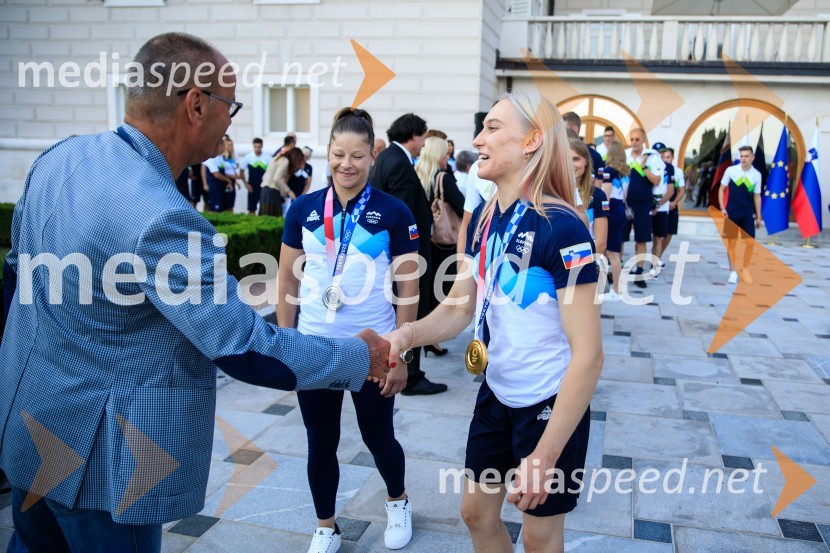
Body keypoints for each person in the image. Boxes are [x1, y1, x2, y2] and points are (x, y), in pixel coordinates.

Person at [0, 33, 394, 552]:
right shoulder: (162, 218)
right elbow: (244, 347)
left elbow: (15, 282)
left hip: (30, 429)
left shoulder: (60, 157)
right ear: (196, 105)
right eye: (232, 105)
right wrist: (359, 356)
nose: (232, 121)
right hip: (103, 466)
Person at [383, 93, 602, 553]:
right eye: (482, 129)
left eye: (493, 128)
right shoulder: (484, 217)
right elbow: (459, 308)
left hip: (548, 401)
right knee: (476, 513)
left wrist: (545, 455)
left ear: (532, 141)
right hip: (496, 392)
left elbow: (589, 356)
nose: (478, 139)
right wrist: (407, 334)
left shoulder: (563, 226)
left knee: (539, 536)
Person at [278, 108, 419, 553]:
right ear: (328, 152)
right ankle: (326, 526)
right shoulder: (304, 208)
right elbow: (287, 282)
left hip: (373, 350)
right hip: (314, 348)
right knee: (320, 442)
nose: (347, 164)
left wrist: (402, 354)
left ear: (372, 157)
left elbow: (409, 287)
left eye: (357, 155)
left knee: (378, 436)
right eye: (339, 154)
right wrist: (285, 343)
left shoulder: (393, 211)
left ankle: (398, 501)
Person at [373, 114, 447, 396]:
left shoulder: (388, 157)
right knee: (411, 308)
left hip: (397, 254)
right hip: (407, 255)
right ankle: (411, 376)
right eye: (423, 137)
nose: (425, 143)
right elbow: (401, 214)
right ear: (413, 135)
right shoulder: (397, 162)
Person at [416, 136, 465, 356]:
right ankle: (434, 338)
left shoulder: (418, 174)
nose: (448, 158)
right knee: (442, 289)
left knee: (429, 288)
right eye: (446, 154)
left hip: (427, 240)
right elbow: (462, 206)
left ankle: (428, 338)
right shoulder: (443, 177)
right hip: (444, 241)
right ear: (439, 155)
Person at [625, 128, 664, 288]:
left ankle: (639, 272)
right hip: (625, 204)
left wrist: (644, 166)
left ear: (643, 140)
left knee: (641, 239)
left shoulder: (652, 157)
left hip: (643, 204)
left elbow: (656, 180)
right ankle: (615, 270)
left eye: (637, 139)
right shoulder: (625, 155)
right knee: (620, 238)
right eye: (632, 139)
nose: (634, 142)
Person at [719, 145, 762, 284]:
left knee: (750, 242)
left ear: (752, 157)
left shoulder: (757, 175)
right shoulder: (731, 171)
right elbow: (722, 189)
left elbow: (757, 196)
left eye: (746, 156)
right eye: (741, 156)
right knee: (731, 243)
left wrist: (759, 216)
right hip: (731, 212)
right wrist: (722, 208)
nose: (743, 159)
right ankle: (733, 272)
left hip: (747, 213)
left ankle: (744, 268)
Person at [599, 140, 630, 301]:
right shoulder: (625, 173)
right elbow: (625, 196)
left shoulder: (609, 171)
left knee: (611, 253)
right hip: (620, 210)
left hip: (611, 211)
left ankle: (616, 290)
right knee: (613, 252)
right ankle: (614, 289)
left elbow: (605, 195)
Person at [571, 139, 607, 255]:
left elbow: (600, 244)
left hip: (585, 261)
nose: (571, 164)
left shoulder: (598, 195)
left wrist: (575, 262)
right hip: (554, 263)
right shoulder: (552, 193)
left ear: (586, 161)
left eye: (576, 159)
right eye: (566, 159)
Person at [649, 142, 673, 274]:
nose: (660, 155)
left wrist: (657, 205)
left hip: (661, 208)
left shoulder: (669, 168)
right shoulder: (647, 166)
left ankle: (654, 266)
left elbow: (670, 190)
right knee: (642, 239)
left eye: (663, 152)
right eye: (658, 152)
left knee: (658, 238)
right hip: (648, 207)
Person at [260, 148, 302, 217]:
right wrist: (289, 191)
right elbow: (277, 179)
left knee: (265, 218)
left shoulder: (278, 158)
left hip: (265, 190)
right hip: (271, 193)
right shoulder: (285, 161)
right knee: (273, 218)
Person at [661, 146, 685, 265]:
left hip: (672, 207)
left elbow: (681, 190)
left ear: (673, 158)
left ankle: (658, 256)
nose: (666, 159)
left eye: (668, 157)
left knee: (669, 233)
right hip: (660, 206)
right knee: (658, 235)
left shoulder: (678, 171)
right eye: (664, 157)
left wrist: (674, 202)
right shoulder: (658, 170)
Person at [562, 111, 604, 177]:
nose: (561, 132)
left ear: (575, 128)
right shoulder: (557, 152)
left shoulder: (594, 156)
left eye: (576, 159)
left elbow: (599, 181)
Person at [240, 137, 269, 215]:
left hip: (263, 187)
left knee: (264, 209)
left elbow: (271, 172)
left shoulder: (267, 158)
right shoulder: (248, 157)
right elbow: (241, 171)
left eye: (258, 147)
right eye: (255, 147)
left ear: (262, 146)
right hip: (252, 187)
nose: (257, 149)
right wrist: (246, 184)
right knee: (251, 209)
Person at [285, 146, 313, 212]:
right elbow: (286, 178)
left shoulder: (309, 167)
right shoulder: (294, 164)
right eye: (303, 156)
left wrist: (303, 194)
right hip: (290, 192)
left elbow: (308, 183)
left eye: (307, 157)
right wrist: (287, 191)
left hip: (300, 193)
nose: (304, 158)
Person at [221, 136, 242, 211]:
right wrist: (235, 177)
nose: (232, 147)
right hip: (226, 182)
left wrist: (236, 181)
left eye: (232, 145)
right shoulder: (222, 157)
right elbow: (223, 172)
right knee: (226, 204)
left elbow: (233, 170)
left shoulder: (232, 157)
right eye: (230, 145)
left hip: (232, 182)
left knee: (231, 204)